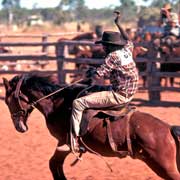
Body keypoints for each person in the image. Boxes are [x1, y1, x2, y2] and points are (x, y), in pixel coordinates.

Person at [57, 11, 139, 152]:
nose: (103, 47)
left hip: (119, 95)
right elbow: (128, 39)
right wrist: (118, 24)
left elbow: (98, 75)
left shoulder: (112, 56)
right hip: (130, 91)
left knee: (78, 103)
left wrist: (89, 72)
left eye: (105, 45)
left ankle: (73, 141)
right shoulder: (127, 49)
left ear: (110, 46)